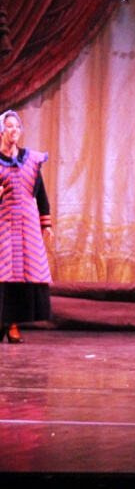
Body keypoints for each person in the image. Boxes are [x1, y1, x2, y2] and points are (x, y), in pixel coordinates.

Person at [0, 110, 53, 344]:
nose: (14, 130)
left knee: (22, 275)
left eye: (17, 126)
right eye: (9, 126)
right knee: (4, 274)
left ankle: (13, 324)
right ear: (1, 131)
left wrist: (46, 223)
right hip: (3, 223)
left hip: (26, 225)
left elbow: (40, 193)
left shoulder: (30, 159)